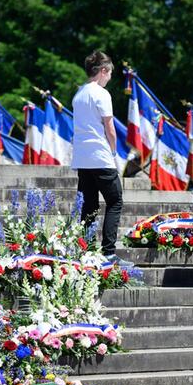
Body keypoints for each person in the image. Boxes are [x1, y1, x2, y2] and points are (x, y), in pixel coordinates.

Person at [71, 50, 123, 258]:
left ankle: (86, 251)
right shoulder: (101, 93)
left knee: (88, 206)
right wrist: (113, 151)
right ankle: (109, 252)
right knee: (115, 201)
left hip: (82, 158)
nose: (109, 78)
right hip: (100, 155)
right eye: (109, 74)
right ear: (103, 71)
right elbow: (110, 128)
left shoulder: (79, 94)